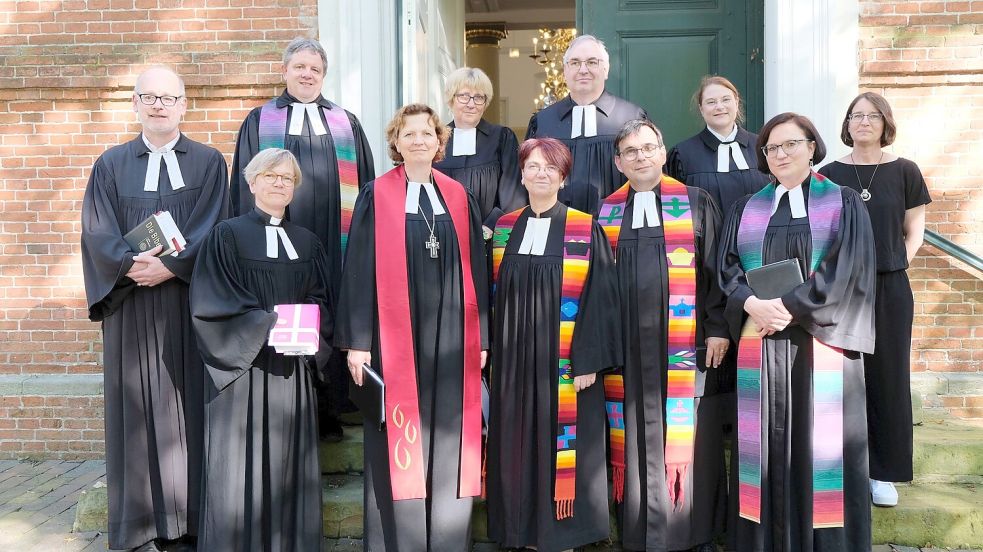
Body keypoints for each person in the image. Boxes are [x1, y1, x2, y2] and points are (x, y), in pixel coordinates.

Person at [81, 66, 229, 551]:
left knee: (189, 407)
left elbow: (214, 224)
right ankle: (139, 526)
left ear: (185, 104)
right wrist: (129, 265)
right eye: (150, 97)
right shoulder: (110, 164)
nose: (160, 105)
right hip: (132, 308)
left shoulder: (209, 163)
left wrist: (172, 268)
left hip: (188, 302)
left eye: (170, 97)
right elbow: (96, 230)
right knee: (137, 409)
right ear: (135, 105)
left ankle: (191, 523)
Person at [718, 113, 876, 551]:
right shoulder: (746, 209)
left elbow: (847, 271)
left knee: (821, 449)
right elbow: (728, 268)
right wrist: (751, 303)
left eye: (791, 144)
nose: (781, 154)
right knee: (763, 449)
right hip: (762, 346)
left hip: (818, 344)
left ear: (812, 148)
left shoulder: (842, 202)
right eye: (771, 148)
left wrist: (787, 306)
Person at [335, 104, 488, 551]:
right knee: (397, 435)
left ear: (440, 142)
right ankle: (399, 540)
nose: (419, 140)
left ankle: (445, 537)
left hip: (452, 337)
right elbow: (359, 268)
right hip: (392, 337)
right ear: (396, 143)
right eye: (409, 133)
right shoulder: (376, 194)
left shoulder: (459, 196)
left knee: (448, 432)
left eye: (427, 133)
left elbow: (478, 270)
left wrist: (483, 339)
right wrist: (357, 343)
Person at [230, 36, 375, 440]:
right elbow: (245, 187)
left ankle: (332, 408)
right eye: (300, 67)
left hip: (333, 242)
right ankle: (286, 407)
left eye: (315, 68)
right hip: (277, 245)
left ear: (323, 75)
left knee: (326, 310)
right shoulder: (260, 122)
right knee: (284, 307)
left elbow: (365, 191)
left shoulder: (346, 124)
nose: (307, 74)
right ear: (285, 71)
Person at [191, 149, 331, 551]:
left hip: (290, 373)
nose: (279, 183)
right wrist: (269, 323)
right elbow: (214, 300)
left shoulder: (307, 242)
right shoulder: (227, 235)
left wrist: (306, 329)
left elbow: (322, 299)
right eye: (271, 176)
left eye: (287, 178)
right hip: (242, 373)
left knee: (289, 464)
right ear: (251, 182)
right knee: (238, 467)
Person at [486, 137, 622, 552]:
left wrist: (588, 361)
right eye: (533, 166)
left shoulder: (584, 226)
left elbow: (602, 298)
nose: (541, 173)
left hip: (565, 363)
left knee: (563, 444)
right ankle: (518, 531)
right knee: (516, 442)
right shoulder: (505, 228)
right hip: (514, 363)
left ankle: (564, 533)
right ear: (522, 174)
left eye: (550, 167)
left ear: (563, 177)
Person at [598, 119, 728, 552]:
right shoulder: (606, 212)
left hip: (685, 345)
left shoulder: (694, 202)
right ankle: (639, 531)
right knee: (632, 433)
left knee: (690, 433)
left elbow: (717, 272)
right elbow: (597, 285)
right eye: (630, 152)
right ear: (618, 162)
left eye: (648, 148)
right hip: (628, 351)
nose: (640, 157)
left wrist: (716, 328)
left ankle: (692, 532)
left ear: (662, 151)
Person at [664, 74, 770, 549]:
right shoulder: (685, 152)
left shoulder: (763, 146)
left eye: (726, 99)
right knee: (714, 338)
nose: (719, 107)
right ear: (700, 109)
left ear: (737, 103)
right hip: (706, 265)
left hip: (755, 261)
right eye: (710, 102)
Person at [818, 92, 930, 508]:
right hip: (841, 291)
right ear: (846, 124)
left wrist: (895, 263)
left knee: (888, 376)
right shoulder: (827, 174)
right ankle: (847, 467)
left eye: (871, 116)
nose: (862, 122)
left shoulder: (905, 171)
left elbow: (913, 231)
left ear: (885, 123)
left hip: (890, 287)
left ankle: (884, 472)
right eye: (855, 116)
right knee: (843, 377)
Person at [525, 35, 647, 215]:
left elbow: (649, 179)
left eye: (591, 62)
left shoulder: (631, 117)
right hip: (556, 228)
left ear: (606, 69)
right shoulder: (543, 122)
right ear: (565, 70)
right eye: (575, 63)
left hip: (617, 228)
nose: (583, 70)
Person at [434, 66, 526, 233]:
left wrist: (488, 228)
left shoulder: (501, 138)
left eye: (478, 97)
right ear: (450, 99)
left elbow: (513, 194)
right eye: (463, 96)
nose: (471, 104)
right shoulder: (436, 140)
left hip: (491, 237)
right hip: (444, 236)